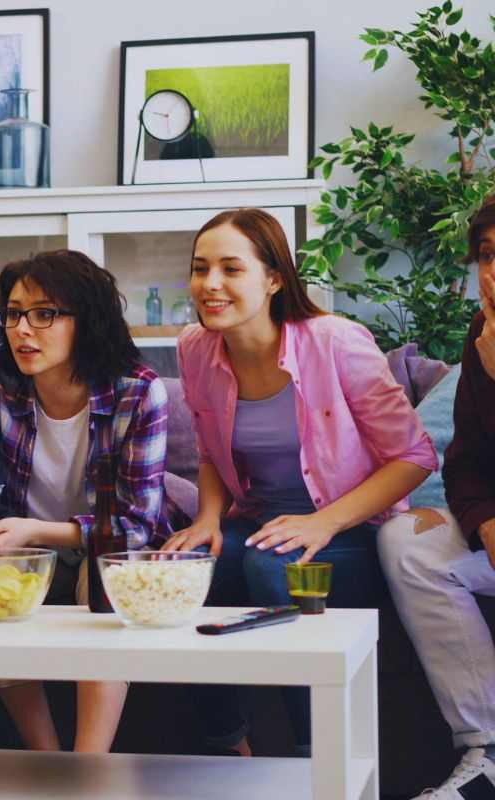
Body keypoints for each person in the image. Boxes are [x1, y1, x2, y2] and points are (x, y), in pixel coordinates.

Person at [161, 208, 436, 756]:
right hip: (263, 520)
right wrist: (208, 519)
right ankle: (228, 753)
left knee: (273, 567)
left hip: (351, 524)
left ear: (273, 279)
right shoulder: (196, 347)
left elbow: (413, 456)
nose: (210, 284)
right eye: (200, 268)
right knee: (186, 571)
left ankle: (318, 760)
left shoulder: (335, 342)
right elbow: (213, 452)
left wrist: (321, 523)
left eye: (231, 269)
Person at [0, 249, 172, 753]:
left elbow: (137, 523)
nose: (23, 330)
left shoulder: (139, 392)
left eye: (45, 314)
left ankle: (88, 767)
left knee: (103, 574)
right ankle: (47, 760)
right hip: (26, 540)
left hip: (108, 544)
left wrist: (34, 532)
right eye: (14, 314)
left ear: (88, 320)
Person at [377, 197, 495, 798]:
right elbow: (466, 464)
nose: (494, 273)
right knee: (407, 543)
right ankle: (488, 750)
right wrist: (486, 523)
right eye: (487, 254)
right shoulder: (483, 334)